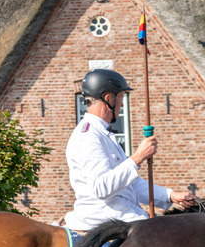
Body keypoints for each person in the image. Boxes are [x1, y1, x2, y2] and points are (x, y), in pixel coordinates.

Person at [64, 68, 195, 230]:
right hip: (105, 222)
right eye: (120, 97)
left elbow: (131, 185)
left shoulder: (103, 134)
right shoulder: (88, 136)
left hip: (124, 217)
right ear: (108, 98)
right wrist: (138, 157)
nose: (122, 103)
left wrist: (170, 196)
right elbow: (101, 188)